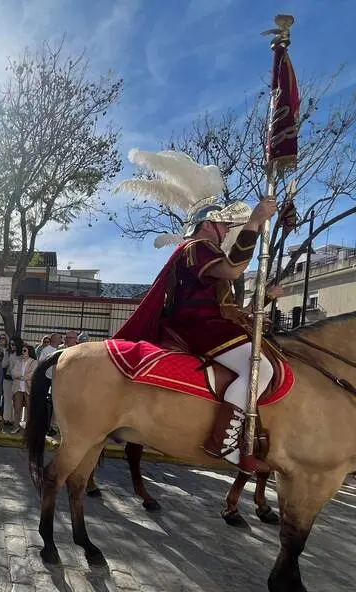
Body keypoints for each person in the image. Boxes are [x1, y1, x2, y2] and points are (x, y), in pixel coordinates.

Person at [113, 148, 280, 472]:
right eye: (223, 225)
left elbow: (229, 306)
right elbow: (232, 271)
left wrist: (267, 299)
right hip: (199, 327)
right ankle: (225, 442)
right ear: (210, 224)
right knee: (265, 370)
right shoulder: (197, 247)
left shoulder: (199, 250)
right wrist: (255, 222)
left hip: (209, 323)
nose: (227, 231)